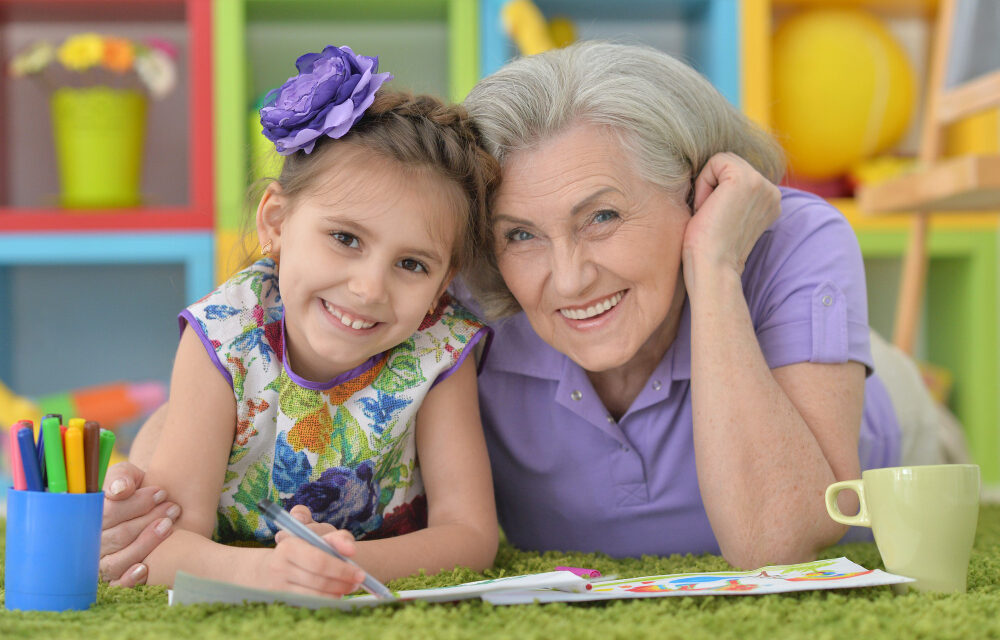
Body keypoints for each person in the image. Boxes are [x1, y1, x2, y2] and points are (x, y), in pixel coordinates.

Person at [100, 42, 954, 584]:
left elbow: (779, 538)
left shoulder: (776, 236)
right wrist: (154, 473)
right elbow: (283, 381)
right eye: (521, 234)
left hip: (879, 419)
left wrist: (715, 268)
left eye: (605, 216)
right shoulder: (440, 281)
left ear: (697, 193)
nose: (570, 276)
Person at [105, 45, 501, 595]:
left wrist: (344, 566)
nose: (368, 288)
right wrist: (271, 573)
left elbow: (471, 534)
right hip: (240, 553)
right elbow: (164, 545)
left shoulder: (438, 349)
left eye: (412, 264)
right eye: (345, 238)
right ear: (276, 222)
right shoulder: (224, 338)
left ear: (443, 281)